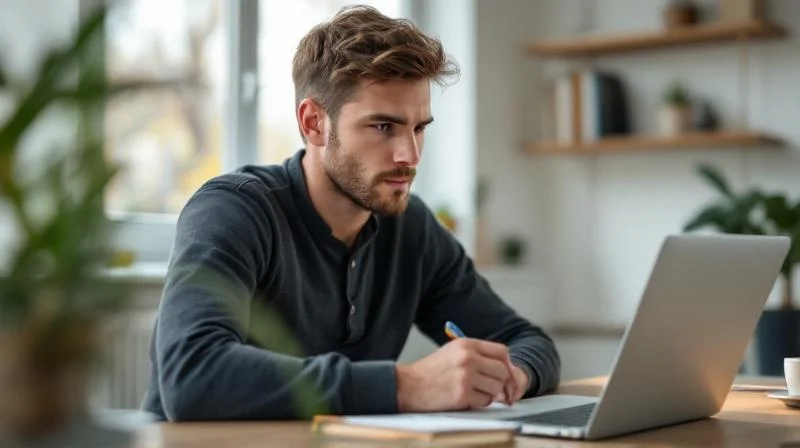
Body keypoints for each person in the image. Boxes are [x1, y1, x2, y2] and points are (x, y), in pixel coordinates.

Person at [142, 4, 560, 422]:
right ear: (314, 123)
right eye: (383, 127)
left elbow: (526, 341)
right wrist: (407, 386)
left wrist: (511, 375)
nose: (409, 156)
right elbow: (191, 376)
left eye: (419, 128)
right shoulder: (233, 211)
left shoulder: (411, 229)